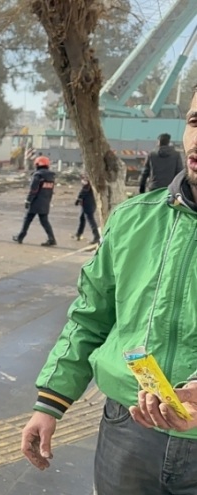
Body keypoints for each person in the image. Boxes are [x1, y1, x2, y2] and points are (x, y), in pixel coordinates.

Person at [20, 84, 197, 494]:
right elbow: (90, 316)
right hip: (127, 431)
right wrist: (50, 403)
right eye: (194, 121)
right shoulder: (133, 220)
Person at [12, 155, 57, 246]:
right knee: (44, 221)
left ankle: (20, 236)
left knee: (27, 219)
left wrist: (28, 200)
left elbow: (33, 190)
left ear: (38, 165)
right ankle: (51, 238)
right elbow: (50, 191)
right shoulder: (51, 177)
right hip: (45, 202)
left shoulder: (38, 175)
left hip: (35, 202)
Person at [71, 175, 100, 244]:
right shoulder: (94, 180)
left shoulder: (88, 181)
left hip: (87, 202)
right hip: (90, 201)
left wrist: (79, 198)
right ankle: (78, 233)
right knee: (82, 218)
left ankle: (96, 236)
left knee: (90, 219)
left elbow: (84, 190)